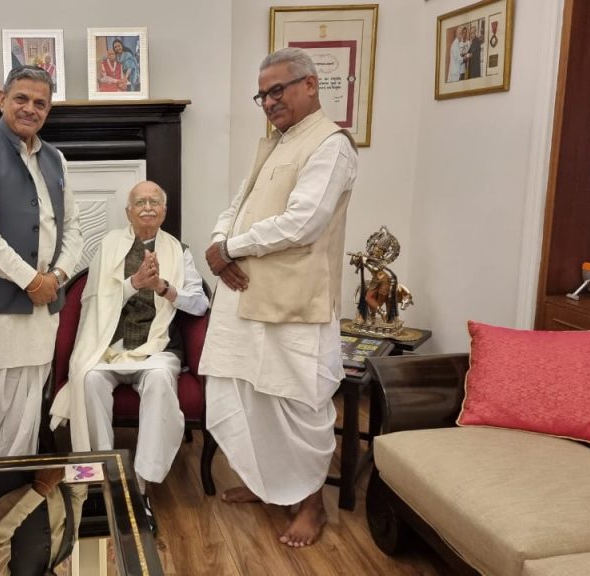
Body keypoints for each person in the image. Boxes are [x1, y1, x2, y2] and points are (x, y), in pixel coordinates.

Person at [200, 47, 358, 548]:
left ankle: (311, 503)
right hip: (247, 296)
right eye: (262, 93)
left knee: (297, 401)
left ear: (310, 85)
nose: (268, 101)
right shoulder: (275, 141)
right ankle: (267, 482)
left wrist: (230, 248)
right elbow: (238, 203)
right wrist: (220, 240)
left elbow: (303, 223)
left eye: (278, 90)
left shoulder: (330, 144)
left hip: (295, 300)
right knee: (250, 394)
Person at [0, 65, 82, 458]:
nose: (30, 108)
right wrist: (31, 280)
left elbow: (72, 228)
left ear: (49, 109)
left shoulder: (56, 158)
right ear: (1, 97)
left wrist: (56, 277)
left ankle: (15, 506)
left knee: (29, 413)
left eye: (40, 103)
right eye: (21, 98)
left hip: (42, 311)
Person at [49, 181, 208, 508]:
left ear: (164, 211)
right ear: (128, 212)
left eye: (154, 202)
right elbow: (93, 301)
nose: (147, 207)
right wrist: (133, 284)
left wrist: (163, 287)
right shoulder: (108, 246)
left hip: (158, 349)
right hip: (110, 347)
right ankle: (106, 474)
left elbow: (199, 306)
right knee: (90, 379)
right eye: (140, 202)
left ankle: (140, 484)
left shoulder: (180, 251)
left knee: (161, 381)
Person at [0, 467, 86, 576]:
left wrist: (41, 487)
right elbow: (78, 496)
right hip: (55, 458)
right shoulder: (66, 548)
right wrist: (69, 471)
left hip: (5, 467)